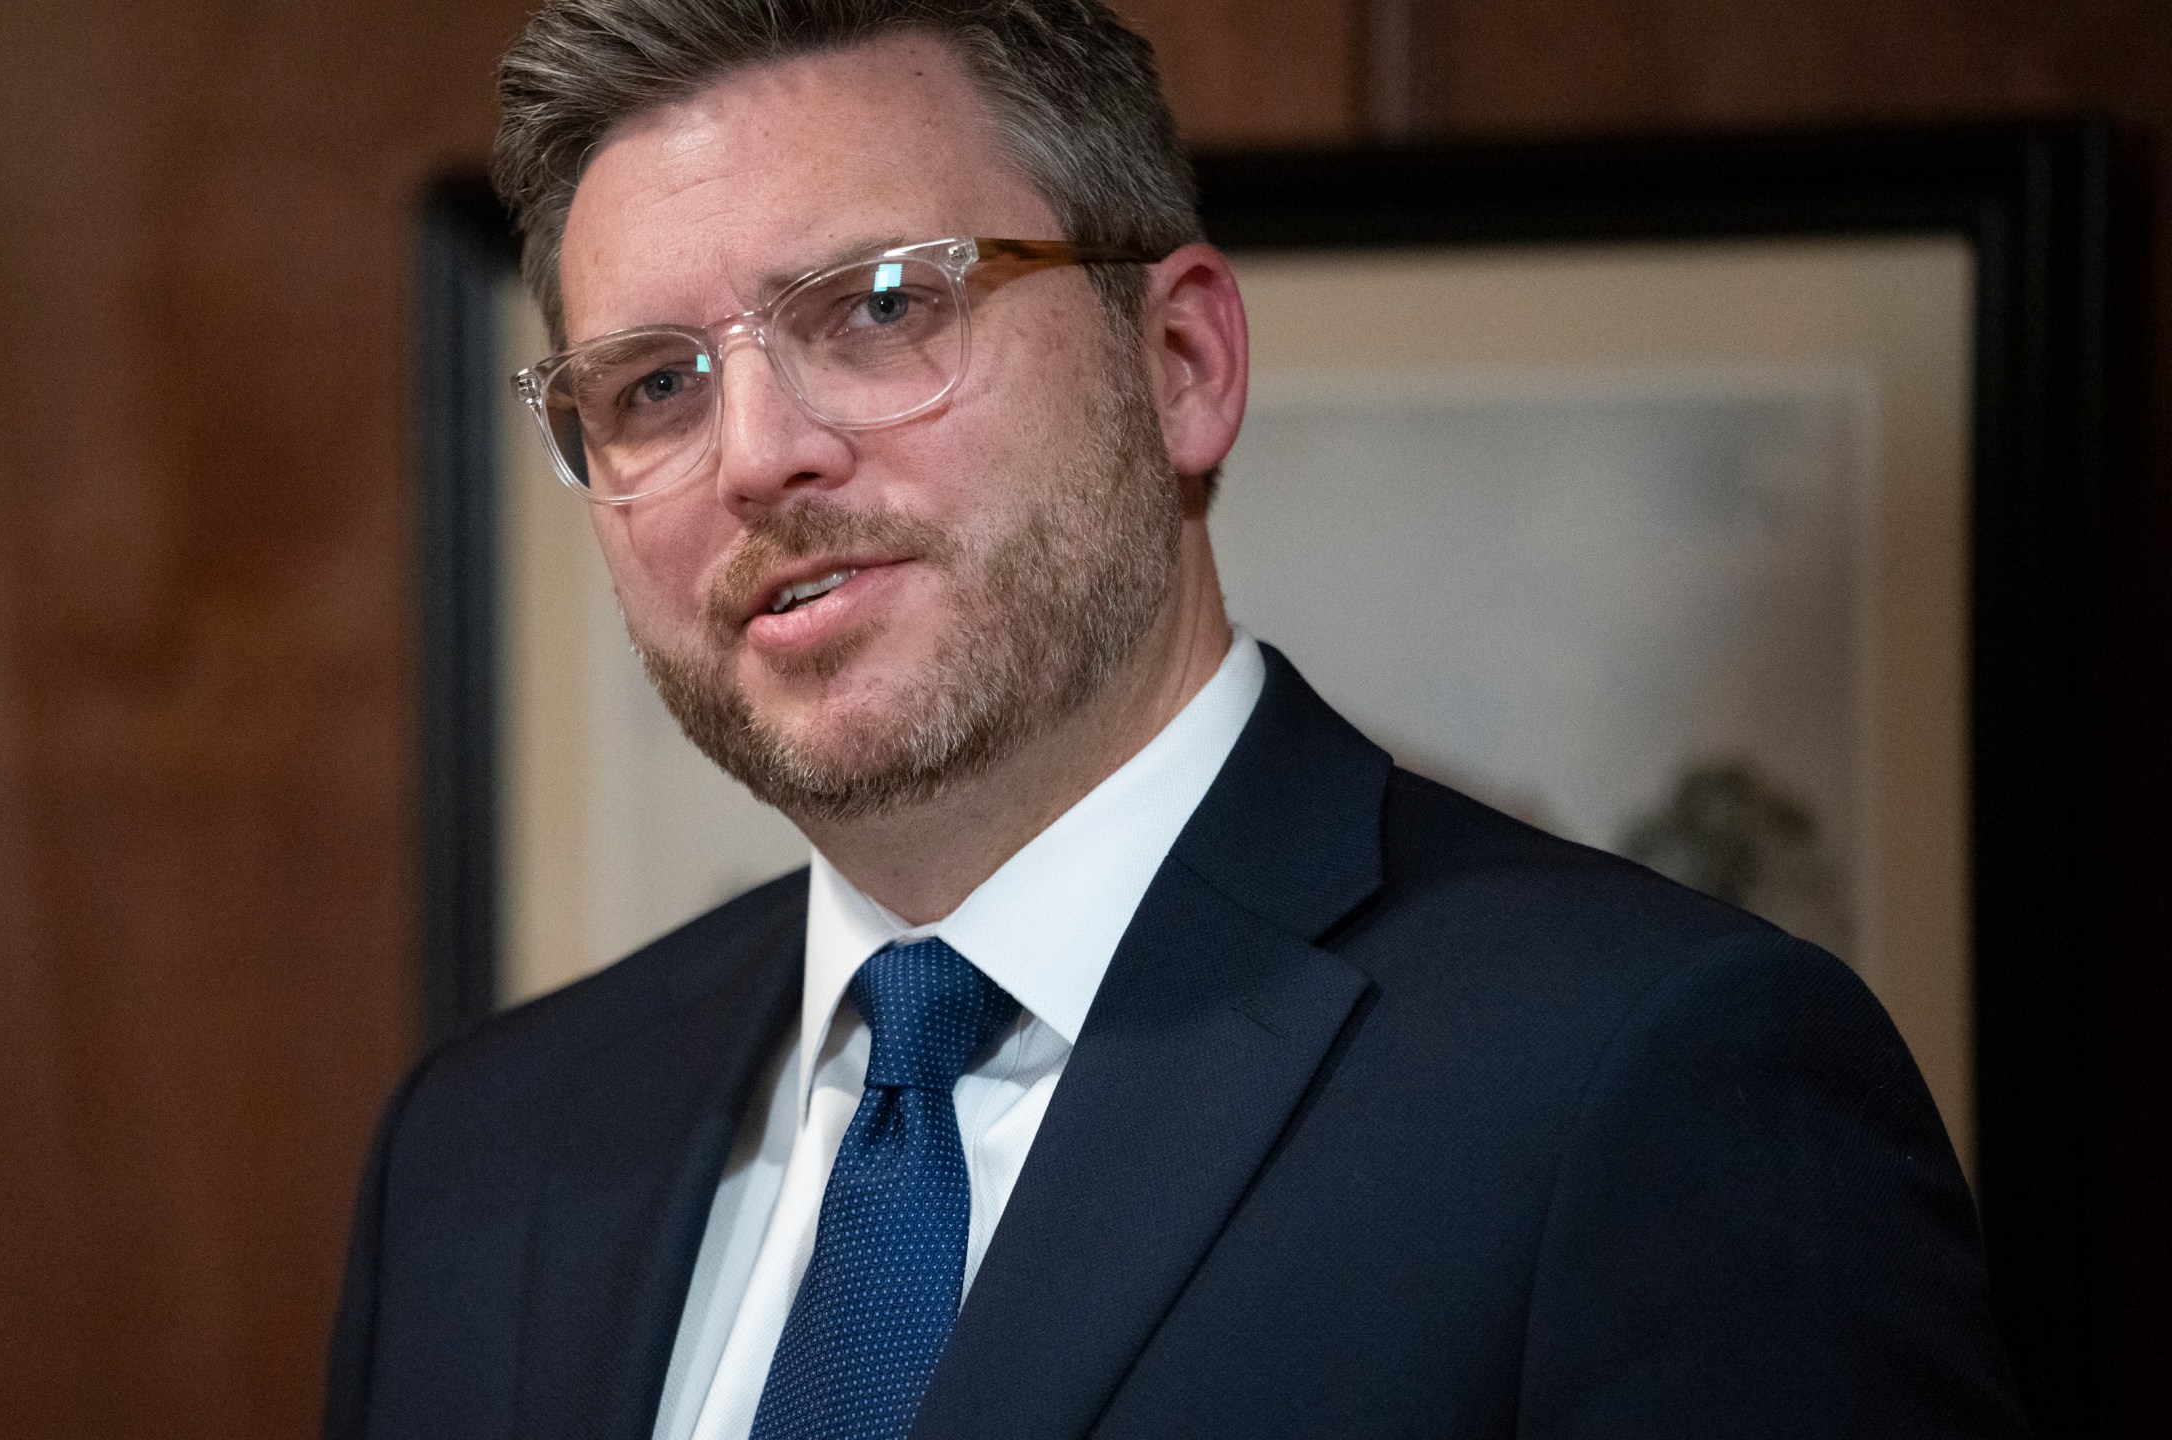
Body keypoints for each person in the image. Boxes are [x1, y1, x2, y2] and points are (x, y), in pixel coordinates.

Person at [326, 2, 2026, 1436]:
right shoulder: (484, 1157)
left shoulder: (1645, 1085)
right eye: (653, 388)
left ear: (1184, 365)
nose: (759, 452)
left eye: (882, 306)